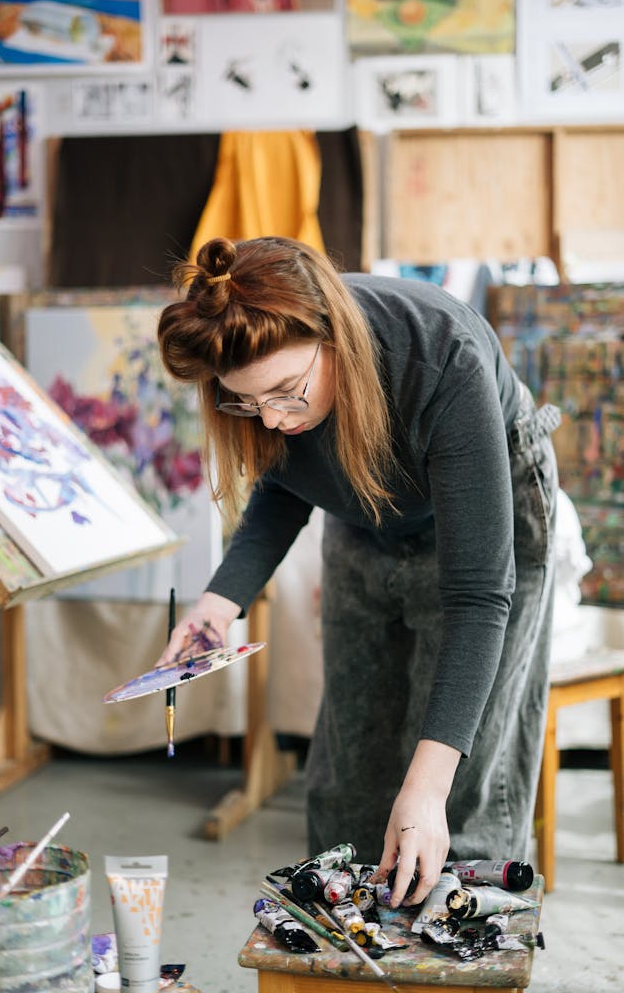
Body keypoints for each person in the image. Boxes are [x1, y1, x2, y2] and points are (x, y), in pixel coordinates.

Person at [155, 235, 560, 909]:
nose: (276, 420)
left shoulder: (437, 354)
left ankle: (458, 940)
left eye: (287, 393)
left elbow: (475, 595)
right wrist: (215, 607)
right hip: (366, 511)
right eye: (251, 405)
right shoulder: (276, 395)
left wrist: (425, 791)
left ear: (333, 336)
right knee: (349, 763)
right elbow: (283, 487)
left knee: (453, 792)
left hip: (486, 518)